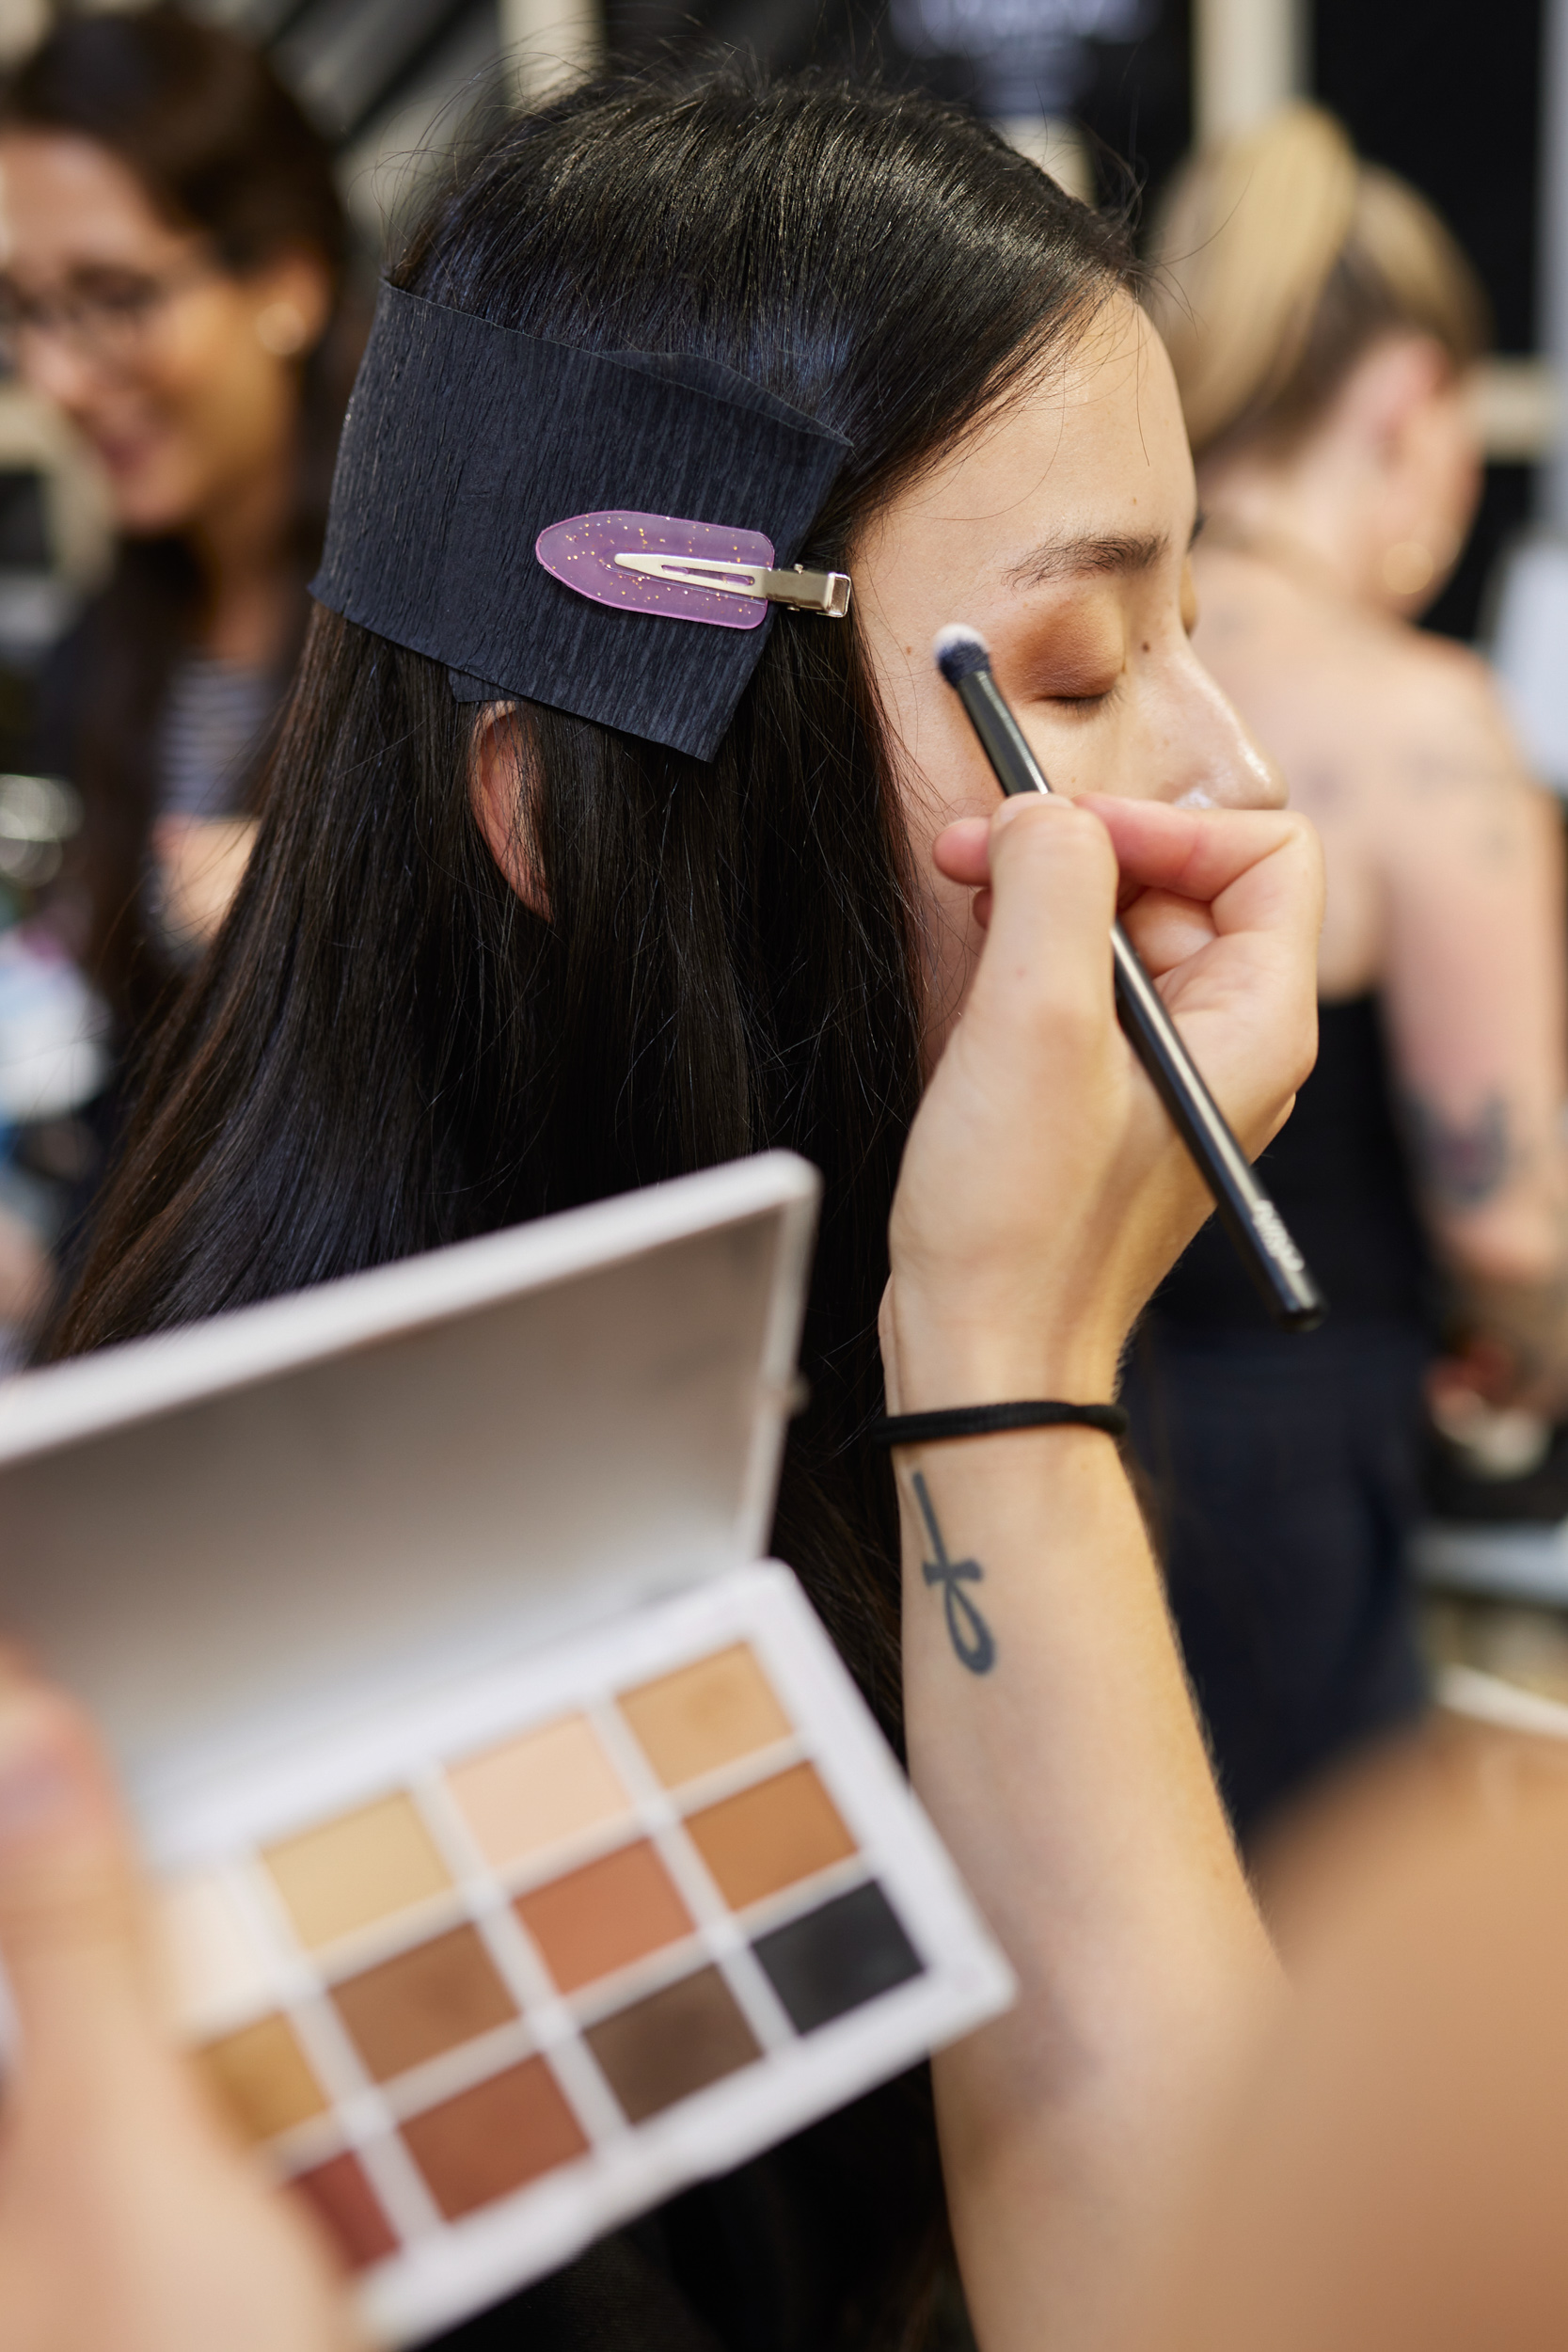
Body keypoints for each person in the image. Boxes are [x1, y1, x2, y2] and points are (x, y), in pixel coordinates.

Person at [39, 65, 1322, 2352]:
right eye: (1080, 670)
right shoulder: (325, 1741)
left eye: (1195, 625)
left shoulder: (874, 1428)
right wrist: (1004, 1376)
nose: (1228, 777)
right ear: (563, 821)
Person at [1124, 103, 1563, 1840]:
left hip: (1061, 1409)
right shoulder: (1416, 726)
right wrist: (1523, 1348)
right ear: (1407, 408)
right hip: (1294, 1490)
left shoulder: (1088, 675)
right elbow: (1508, 1222)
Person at [0, 8, 358, 1113]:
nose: (59, 376)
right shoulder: (102, 652)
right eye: (24, 312)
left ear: (286, 283)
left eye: (114, 299)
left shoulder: (434, 628)